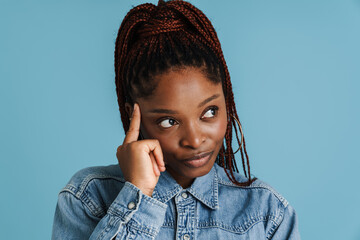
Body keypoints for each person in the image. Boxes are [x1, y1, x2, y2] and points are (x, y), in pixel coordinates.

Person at [52, 0, 300, 239]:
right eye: (169, 121)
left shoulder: (267, 213)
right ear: (133, 116)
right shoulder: (88, 198)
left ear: (227, 101)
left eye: (210, 112)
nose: (194, 140)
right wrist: (138, 195)